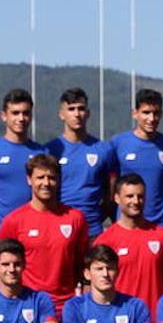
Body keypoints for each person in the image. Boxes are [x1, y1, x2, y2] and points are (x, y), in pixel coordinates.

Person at [0, 154, 89, 317]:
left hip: (65, 308)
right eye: (40, 177)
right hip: (27, 307)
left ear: (59, 180)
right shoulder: (13, 221)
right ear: (29, 180)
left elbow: (83, 266)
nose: (46, 183)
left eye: (51, 178)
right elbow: (3, 268)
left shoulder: (76, 218)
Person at [93, 173, 163, 319]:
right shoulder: (104, 241)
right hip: (120, 322)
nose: (136, 201)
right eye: (130, 196)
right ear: (117, 198)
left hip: (156, 321)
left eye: (140, 196)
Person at [45, 87, 117, 238]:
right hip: (58, 229)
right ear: (61, 114)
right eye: (71, 109)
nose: (77, 114)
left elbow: (110, 194)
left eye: (81, 109)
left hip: (92, 230)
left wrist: (96, 217)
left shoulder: (104, 150)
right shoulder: (50, 150)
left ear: (88, 113)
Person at [110, 88, 163, 232]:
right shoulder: (118, 143)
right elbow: (111, 184)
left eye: (156, 113)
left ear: (161, 114)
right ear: (135, 113)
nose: (151, 118)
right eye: (146, 112)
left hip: (161, 225)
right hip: (128, 224)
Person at [0, 88, 47, 240]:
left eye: (26, 113)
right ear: (4, 116)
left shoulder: (42, 153)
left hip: (33, 232)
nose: (21, 118)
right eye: (15, 113)